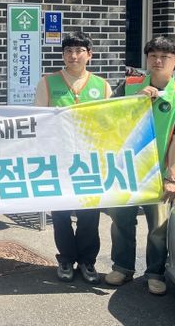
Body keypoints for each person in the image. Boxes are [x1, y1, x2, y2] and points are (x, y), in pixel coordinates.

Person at [105, 36, 175, 295]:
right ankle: (122, 267)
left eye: (165, 57)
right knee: (121, 221)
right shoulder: (130, 85)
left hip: (158, 173)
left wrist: (172, 177)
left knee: (158, 228)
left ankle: (155, 273)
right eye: (153, 55)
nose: (157, 61)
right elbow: (107, 117)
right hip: (124, 170)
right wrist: (135, 101)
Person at [33, 32, 112, 284]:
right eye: (68, 51)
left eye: (79, 51)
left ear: (89, 55)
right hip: (58, 160)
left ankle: (88, 261)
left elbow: (110, 122)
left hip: (90, 161)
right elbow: (38, 121)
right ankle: (66, 259)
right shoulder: (48, 82)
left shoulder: (102, 85)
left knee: (89, 214)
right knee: (61, 213)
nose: (73, 55)